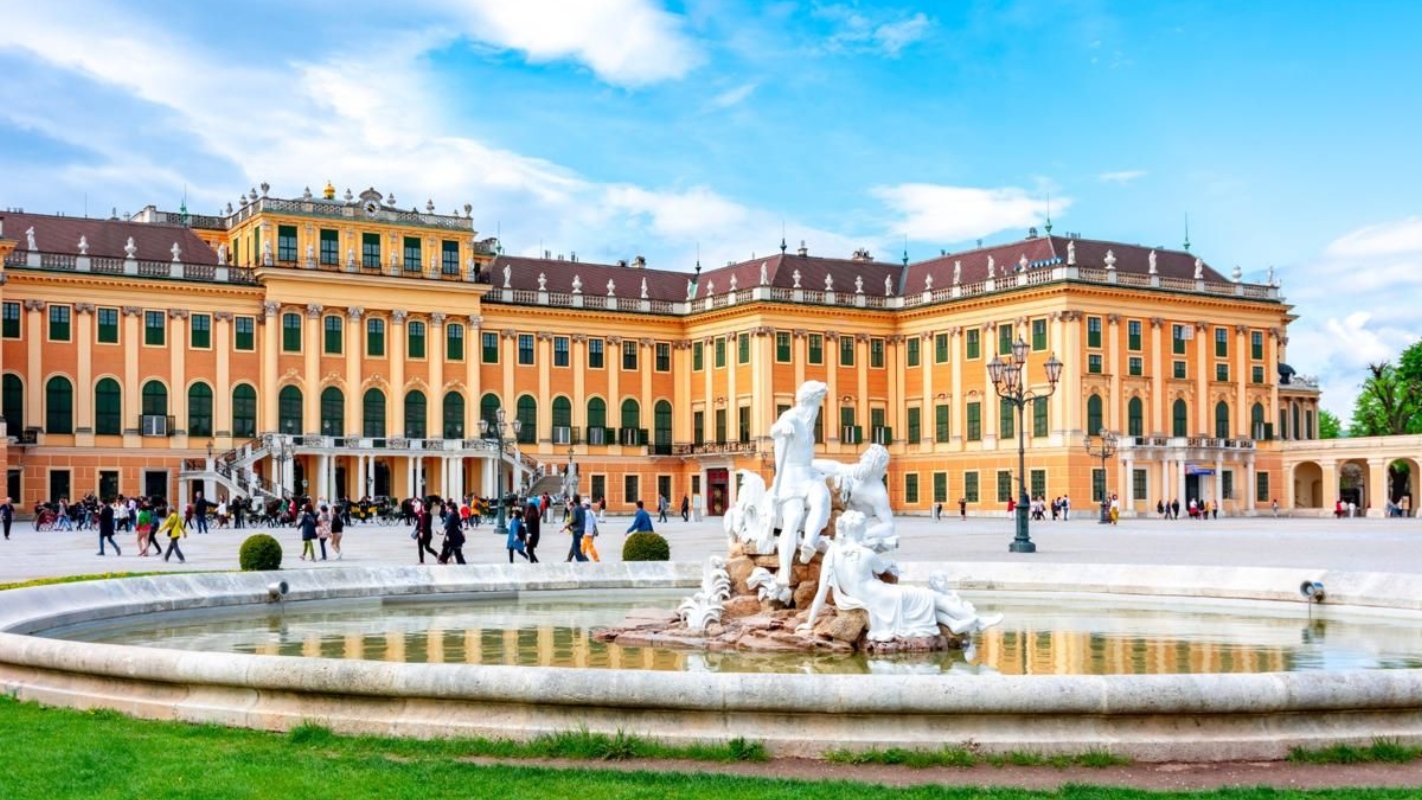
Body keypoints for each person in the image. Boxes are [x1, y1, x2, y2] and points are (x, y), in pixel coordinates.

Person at [565, 494, 588, 562]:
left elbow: (574, 519)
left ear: (573, 500)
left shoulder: (574, 509)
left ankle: (582, 560)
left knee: (576, 547)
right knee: (574, 544)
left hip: (576, 530)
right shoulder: (582, 508)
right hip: (582, 529)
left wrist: (568, 525)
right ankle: (569, 559)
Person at [415, 500, 439, 564]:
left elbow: (422, 524)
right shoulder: (430, 515)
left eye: (423, 506)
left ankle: (421, 561)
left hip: (423, 533)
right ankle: (437, 555)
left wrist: (421, 532)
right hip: (428, 533)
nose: (422, 507)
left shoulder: (423, 515)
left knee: (420, 547)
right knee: (427, 547)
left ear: (424, 507)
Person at [524, 498, 542, 563]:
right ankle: (533, 562)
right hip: (535, 536)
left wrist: (528, 537)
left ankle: (536, 563)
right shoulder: (536, 516)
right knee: (531, 551)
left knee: (529, 551)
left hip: (530, 536)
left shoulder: (530, 516)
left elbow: (529, 527)